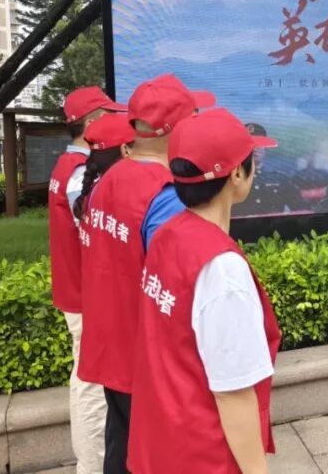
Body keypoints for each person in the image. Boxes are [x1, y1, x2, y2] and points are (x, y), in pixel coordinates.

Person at [128, 108, 281, 474]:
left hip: (163, 443)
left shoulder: (168, 234)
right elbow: (233, 393)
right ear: (237, 175)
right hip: (204, 455)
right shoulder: (221, 268)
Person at [77, 74, 214, 474]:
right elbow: (182, 280)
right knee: (156, 457)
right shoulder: (167, 196)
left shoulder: (107, 181)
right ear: (177, 128)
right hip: (149, 356)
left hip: (112, 345)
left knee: (121, 446)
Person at [47, 86, 125, 474]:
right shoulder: (80, 172)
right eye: (110, 114)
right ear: (92, 122)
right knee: (93, 386)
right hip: (86, 297)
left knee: (86, 381)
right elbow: (96, 232)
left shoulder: (67, 166)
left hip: (75, 292)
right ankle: (92, 465)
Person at [233, 122, 309, 216]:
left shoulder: (279, 179)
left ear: (266, 148)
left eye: (260, 143)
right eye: (251, 143)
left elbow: (303, 210)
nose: (256, 148)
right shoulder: (228, 180)